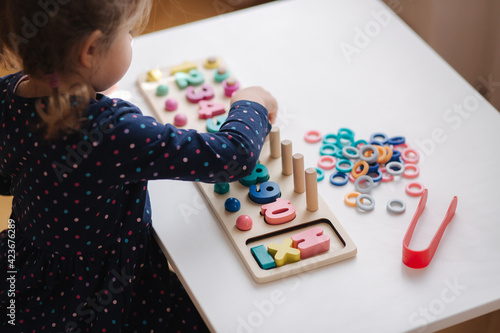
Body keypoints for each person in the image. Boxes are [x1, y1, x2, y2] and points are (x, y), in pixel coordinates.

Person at [0, 0, 278, 331]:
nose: (132, 39)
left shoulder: (7, 93)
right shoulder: (113, 131)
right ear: (89, 51)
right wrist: (251, 104)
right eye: (128, 32)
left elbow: (7, 180)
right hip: (102, 289)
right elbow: (235, 156)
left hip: (27, 262)